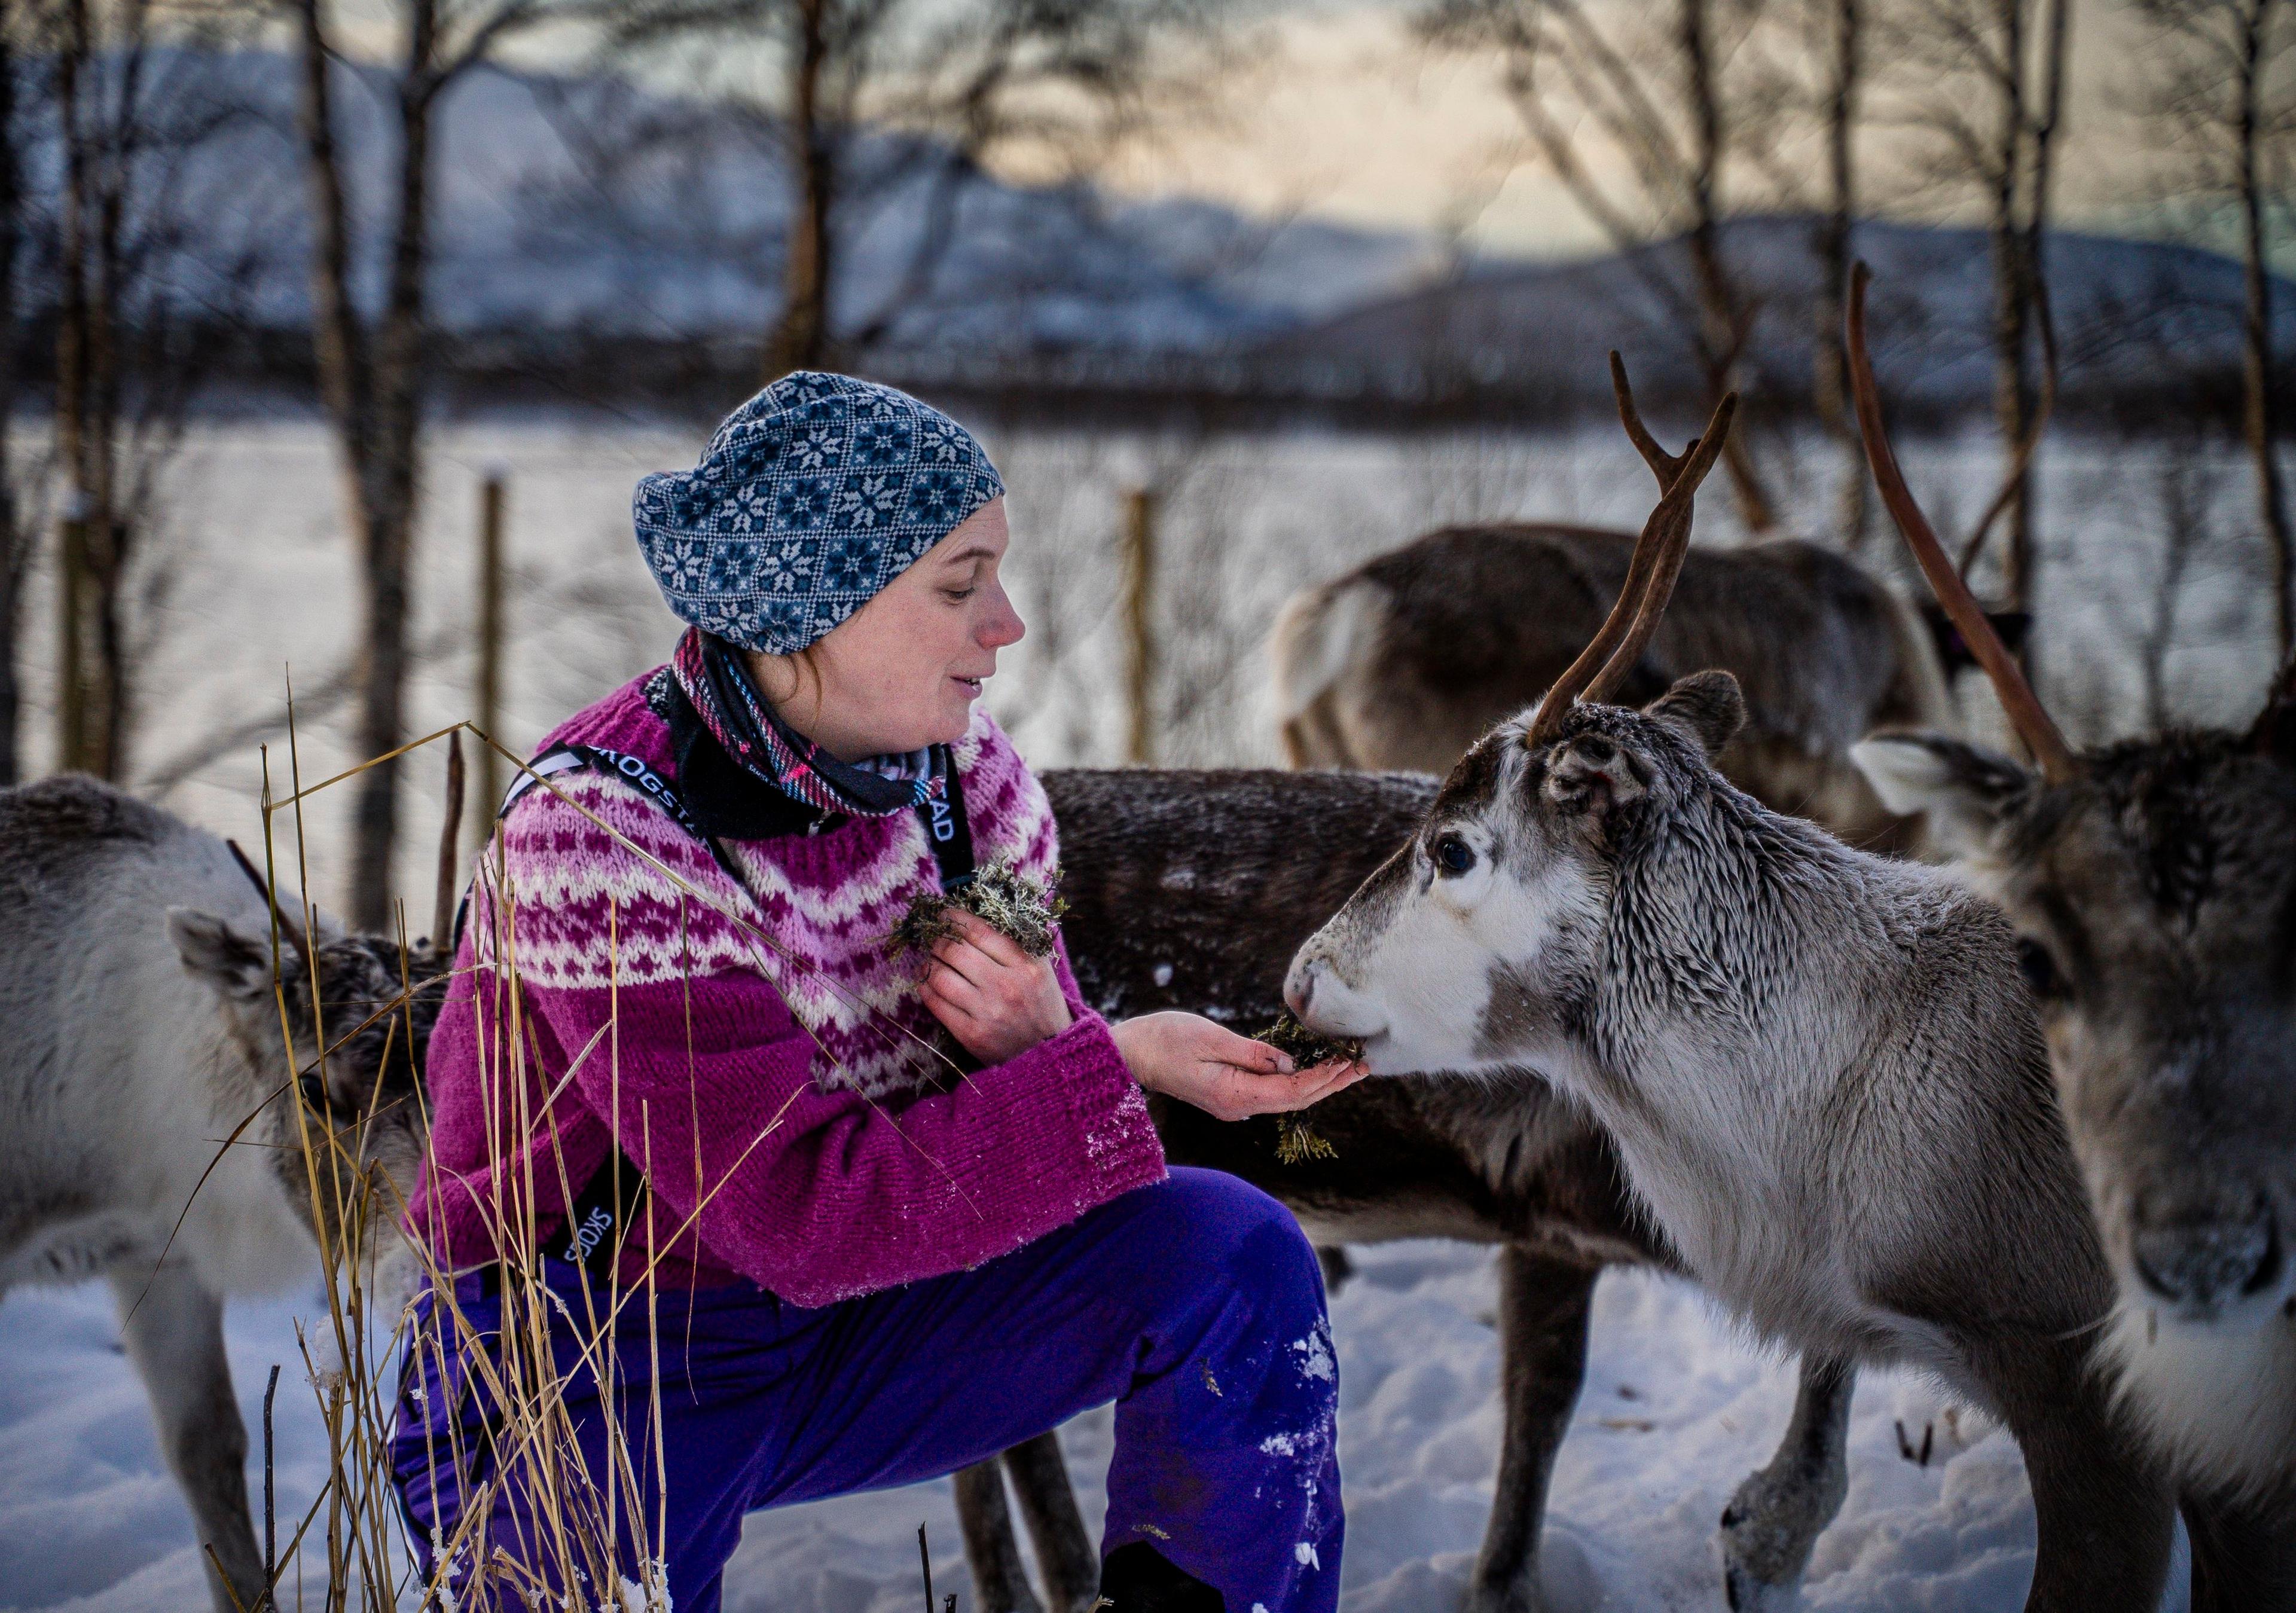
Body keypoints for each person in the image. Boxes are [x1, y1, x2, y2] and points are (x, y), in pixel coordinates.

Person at [394, 372, 1366, 1613]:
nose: (1005, 624)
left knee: (1231, 1255)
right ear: (814, 603)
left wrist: (1054, 1039)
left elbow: (1042, 1137)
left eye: (996, 576)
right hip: (607, 1355)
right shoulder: (607, 838)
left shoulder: (966, 782)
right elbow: (798, 1216)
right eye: (960, 585)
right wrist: (1103, 1063)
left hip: (872, 1319)